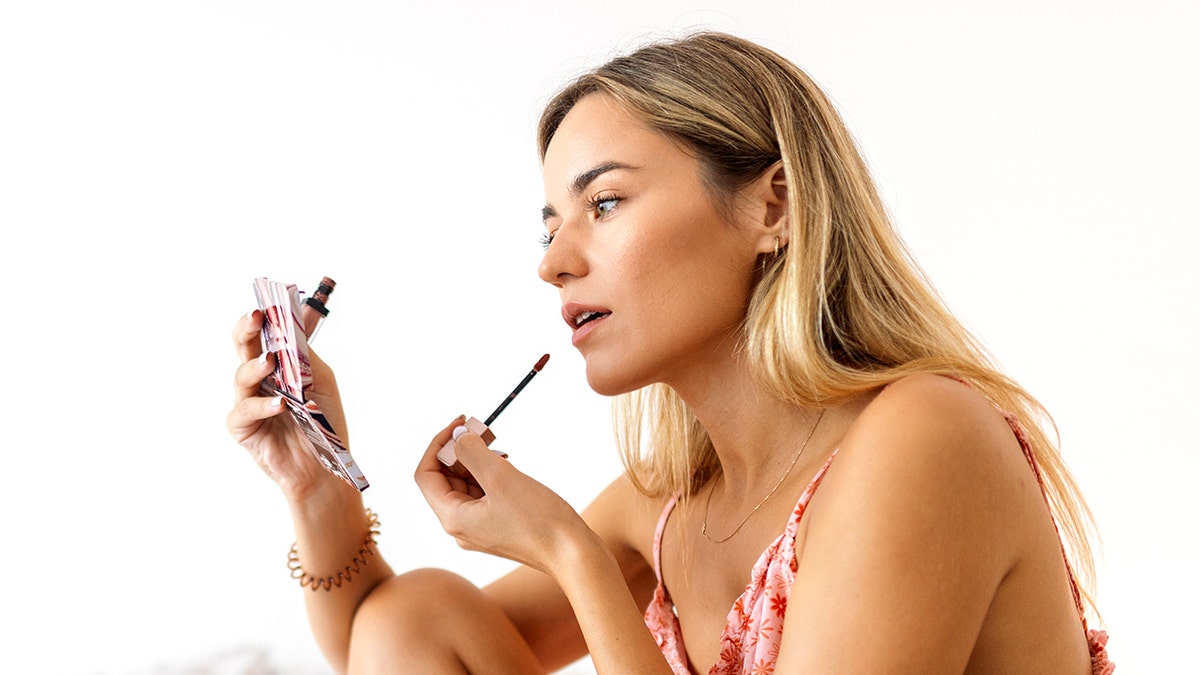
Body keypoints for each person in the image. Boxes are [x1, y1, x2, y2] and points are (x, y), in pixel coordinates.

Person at [228, 31, 1113, 674]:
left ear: (774, 207)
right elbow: (382, 649)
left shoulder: (927, 437)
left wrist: (571, 553)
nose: (552, 262)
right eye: (550, 225)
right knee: (419, 613)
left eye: (604, 204)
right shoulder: (671, 501)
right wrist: (318, 483)